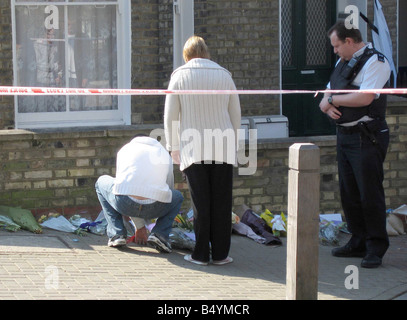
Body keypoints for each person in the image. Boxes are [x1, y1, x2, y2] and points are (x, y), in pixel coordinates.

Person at [319, 21, 391, 268]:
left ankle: (375, 247)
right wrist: (328, 106)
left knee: (369, 193)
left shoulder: (377, 62)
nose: (335, 51)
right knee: (349, 193)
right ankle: (358, 240)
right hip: (345, 136)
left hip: (366, 136)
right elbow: (323, 98)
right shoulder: (342, 63)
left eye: (337, 45)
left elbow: (364, 97)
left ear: (349, 41)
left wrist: (332, 100)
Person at [164, 36, 241, 265]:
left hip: (192, 147)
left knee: (201, 203)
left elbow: (170, 117)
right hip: (223, 145)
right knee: (221, 201)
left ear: (186, 55)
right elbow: (235, 114)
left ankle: (199, 254)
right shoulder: (224, 75)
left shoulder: (179, 76)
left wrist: (173, 147)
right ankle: (220, 254)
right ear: (206, 52)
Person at [95, 135, 184, 252]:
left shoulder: (125, 150)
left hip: (124, 204)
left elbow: (124, 187)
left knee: (101, 182)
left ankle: (117, 234)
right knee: (177, 196)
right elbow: (169, 188)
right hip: (157, 206)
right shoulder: (163, 154)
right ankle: (160, 235)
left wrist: (140, 227)